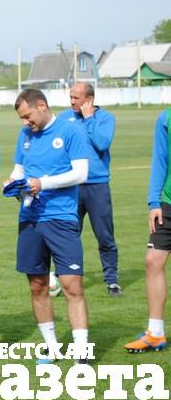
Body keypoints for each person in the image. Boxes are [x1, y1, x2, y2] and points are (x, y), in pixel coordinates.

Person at [6, 89, 91, 363]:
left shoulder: (70, 131)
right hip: (29, 219)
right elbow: (20, 169)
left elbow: (81, 173)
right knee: (37, 285)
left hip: (61, 218)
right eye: (22, 118)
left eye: (27, 116)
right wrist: (13, 181)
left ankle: (81, 352)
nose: (25, 122)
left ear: (41, 105)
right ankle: (52, 347)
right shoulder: (25, 135)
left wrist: (43, 183)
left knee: (71, 285)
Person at [58, 82, 122, 296]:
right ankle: (65, 279)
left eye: (76, 98)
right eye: (71, 97)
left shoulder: (105, 118)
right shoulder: (64, 118)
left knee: (105, 236)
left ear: (90, 99)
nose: (72, 101)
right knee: (68, 235)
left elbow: (102, 143)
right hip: (71, 186)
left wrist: (89, 119)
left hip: (97, 186)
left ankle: (112, 280)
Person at [123, 109, 171, 352]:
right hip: (168, 203)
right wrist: (154, 202)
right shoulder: (166, 117)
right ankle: (155, 333)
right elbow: (160, 159)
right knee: (153, 261)